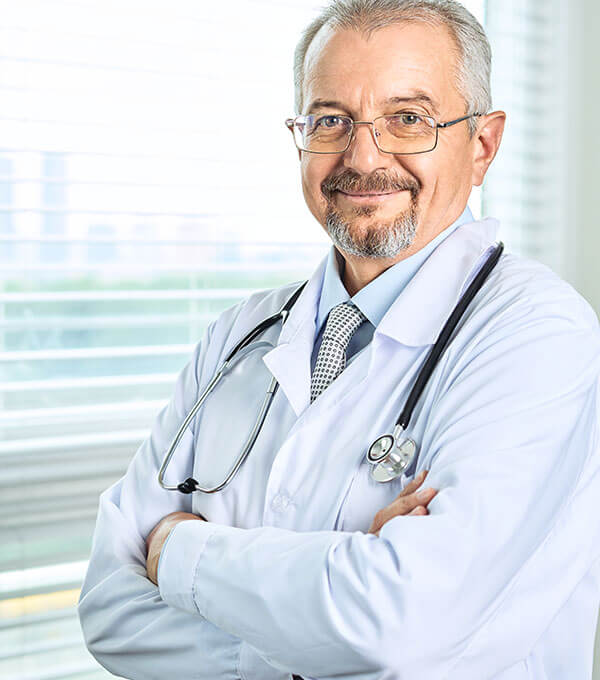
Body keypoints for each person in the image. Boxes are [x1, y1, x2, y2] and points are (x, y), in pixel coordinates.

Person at [77, 1, 600, 678]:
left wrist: (178, 549)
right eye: (330, 120)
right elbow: (111, 612)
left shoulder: (537, 335)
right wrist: (328, 619)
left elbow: (398, 624)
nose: (363, 156)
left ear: (482, 146)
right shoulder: (240, 336)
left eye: (407, 118)